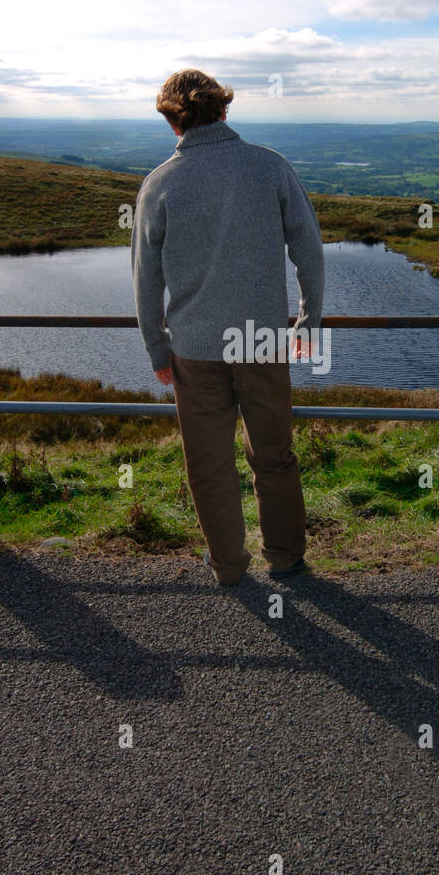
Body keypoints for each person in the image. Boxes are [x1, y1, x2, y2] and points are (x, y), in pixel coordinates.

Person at [132, 69, 325, 587]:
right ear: (224, 110)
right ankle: (285, 559)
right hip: (261, 339)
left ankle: (229, 568)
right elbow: (308, 249)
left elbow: (145, 280)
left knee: (209, 463)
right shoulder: (269, 167)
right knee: (274, 457)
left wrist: (157, 348)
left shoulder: (159, 184)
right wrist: (308, 323)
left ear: (173, 122)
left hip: (194, 348)